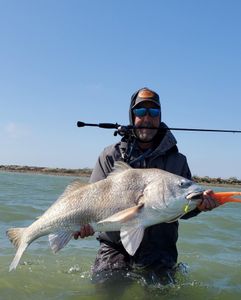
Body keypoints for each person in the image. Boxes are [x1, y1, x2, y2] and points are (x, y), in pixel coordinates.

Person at [74, 87, 219, 284]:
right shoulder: (110, 156)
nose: (147, 118)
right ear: (132, 116)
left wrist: (199, 206)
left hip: (160, 248)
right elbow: (90, 201)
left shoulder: (177, 161)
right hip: (114, 246)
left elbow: (184, 207)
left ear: (160, 116)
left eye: (154, 112)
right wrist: (82, 225)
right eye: (141, 112)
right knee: (106, 290)